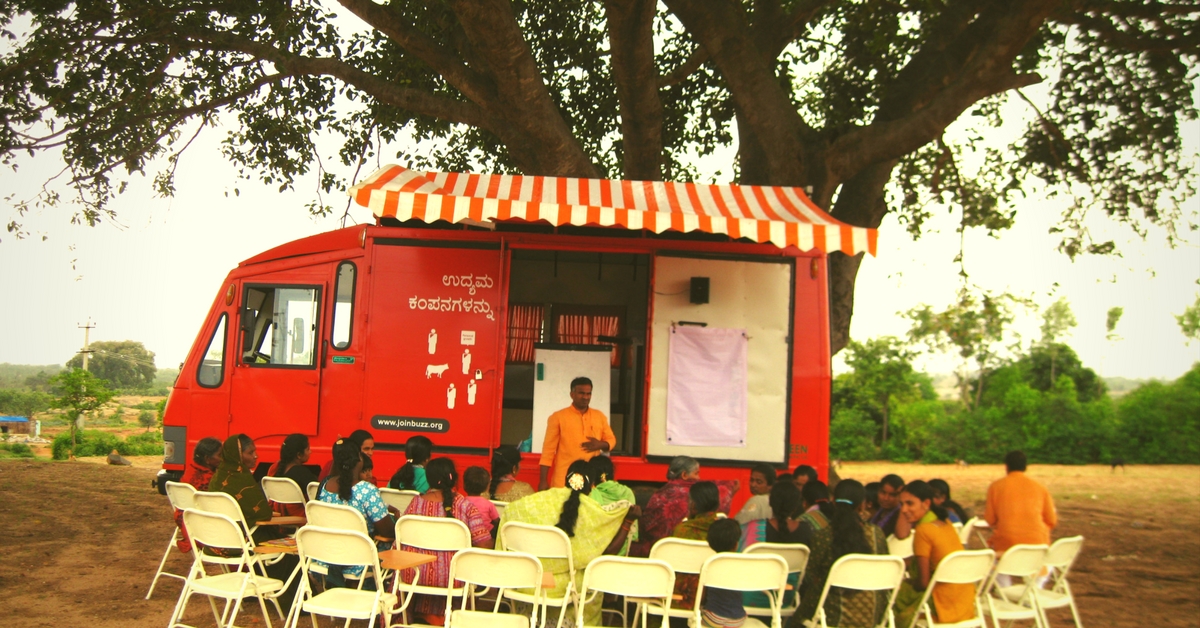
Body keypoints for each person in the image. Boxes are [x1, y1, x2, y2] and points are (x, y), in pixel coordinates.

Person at [498, 460, 639, 626]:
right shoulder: (593, 511)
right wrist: (628, 521)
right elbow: (607, 553)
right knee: (589, 577)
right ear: (592, 485)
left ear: (566, 478)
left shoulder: (533, 502)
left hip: (529, 581)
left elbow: (508, 512)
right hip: (567, 590)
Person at [401, 457, 493, 624]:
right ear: (454, 478)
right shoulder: (465, 507)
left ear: (428, 478)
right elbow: (484, 544)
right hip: (453, 578)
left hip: (414, 575)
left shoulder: (415, 504)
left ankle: (422, 616)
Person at [791, 479, 889, 628]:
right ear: (862, 505)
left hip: (830, 617)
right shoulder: (877, 534)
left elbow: (810, 578)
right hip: (873, 614)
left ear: (833, 502)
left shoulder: (823, 536)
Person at [893, 481, 975, 628]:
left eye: (910, 503)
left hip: (942, 600)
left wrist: (908, 583)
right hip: (964, 598)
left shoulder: (923, 530)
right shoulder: (945, 522)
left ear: (926, 503)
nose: (904, 509)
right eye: (901, 504)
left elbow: (923, 583)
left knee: (892, 596)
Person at [318, 440, 398, 587]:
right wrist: (398, 520)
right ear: (358, 461)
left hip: (325, 557)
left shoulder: (324, 485)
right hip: (359, 561)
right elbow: (387, 532)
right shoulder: (367, 490)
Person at [634, 456, 739, 556]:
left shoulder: (657, 496)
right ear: (684, 475)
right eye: (696, 473)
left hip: (659, 554)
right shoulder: (719, 530)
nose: (699, 478)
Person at [538, 376, 616, 490]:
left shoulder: (599, 416)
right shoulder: (558, 417)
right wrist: (543, 481)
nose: (585, 397)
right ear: (572, 394)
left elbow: (611, 440)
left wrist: (600, 445)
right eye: (581, 393)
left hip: (592, 479)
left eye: (588, 394)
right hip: (564, 479)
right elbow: (547, 452)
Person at [739, 482, 808, 609]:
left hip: (750, 598)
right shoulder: (806, 531)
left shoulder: (751, 528)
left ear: (770, 502)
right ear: (796, 506)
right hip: (785, 599)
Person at [985, 451, 1057, 553]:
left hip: (1007, 546)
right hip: (1038, 546)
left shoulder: (996, 487)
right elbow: (1051, 520)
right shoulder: (1040, 488)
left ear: (1006, 466)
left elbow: (990, 520)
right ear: (1025, 467)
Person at [210, 434, 273, 531]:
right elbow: (264, 513)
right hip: (245, 536)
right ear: (238, 455)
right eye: (250, 453)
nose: (256, 456)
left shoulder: (217, 477)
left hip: (217, 536)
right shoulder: (243, 480)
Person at [174, 436, 222, 552]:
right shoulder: (207, 479)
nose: (223, 459)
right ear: (207, 459)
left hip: (185, 521)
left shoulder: (190, 470)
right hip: (201, 526)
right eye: (220, 455)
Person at [701, 518, 748, 628]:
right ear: (736, 544)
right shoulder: (741, 564)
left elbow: (702, 596)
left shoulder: (709, 564)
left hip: (713, 619)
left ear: (710, 543)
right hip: (738, 620)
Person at [267, 434, 317, 518]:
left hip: (281, 517)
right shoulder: (301, 473)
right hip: (301, 517)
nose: (310, 452)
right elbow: (318, 493)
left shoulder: (275, 469)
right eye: (308, 449)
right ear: (299, 455)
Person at [869, 474, 912, 538]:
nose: (886, 498)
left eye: (892, 495)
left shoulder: (900, 515)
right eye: (883, 493)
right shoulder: (878, 510)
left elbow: (902, 535)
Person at [463, 465, 501, 537]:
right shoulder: (488, 504)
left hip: (466, 535)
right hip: (487, 536)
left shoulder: (461, 502)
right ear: (486, 486)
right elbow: (497, 521)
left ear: (464, 485)